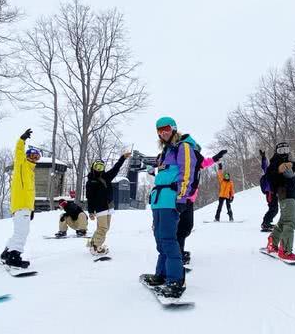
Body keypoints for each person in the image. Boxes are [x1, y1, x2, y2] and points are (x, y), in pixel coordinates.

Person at [140, 116, 197, 298]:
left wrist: (182, 198)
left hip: (171, 199)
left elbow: (186, 173)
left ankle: (175, 280)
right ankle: (162, 275)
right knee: (159, 239)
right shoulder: (166, 151)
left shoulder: (183, 147)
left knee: (168, 239)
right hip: (159, 201)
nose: (162, 132)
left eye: (165, 128)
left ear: (173, 128)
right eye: (159, 130)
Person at [177, 147, 227, 265]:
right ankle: (176, 254)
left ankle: (179, 251)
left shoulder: (195, 157)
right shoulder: (183, 154)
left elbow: (204, 163)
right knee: (180, 228)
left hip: (189, 198)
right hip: (181, 198)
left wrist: (216, 158)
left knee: (186, 227)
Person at [0, 128, 40, 269]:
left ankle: (6, 253)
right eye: (32, 156)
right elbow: (18, 152)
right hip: (20, 205)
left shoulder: (30, 172)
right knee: (22, 232)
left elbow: (29, 193)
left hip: (25, 207)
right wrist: (22, 140)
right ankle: (14, 256)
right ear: (27, 156)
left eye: (37, 157)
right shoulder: (21, 165)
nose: (34, 159)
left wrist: (32, 209)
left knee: (19, 231)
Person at [85, 152, 131, 255]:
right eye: (97, 166)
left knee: (105, 227)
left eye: (101, 167)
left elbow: (116, 168)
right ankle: (96, 247)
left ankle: (92, 242)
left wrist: (122, 158)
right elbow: (90, 198)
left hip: (109, 206)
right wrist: (91, 211)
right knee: (103, 228)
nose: (99, 169)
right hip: (100, 207)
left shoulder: (107, 177)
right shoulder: (91, 182)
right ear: (93, 167)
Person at [259, 149, 278, 232]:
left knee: (274, 208)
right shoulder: (268, 170)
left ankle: (266, 222)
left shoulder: (275, 171)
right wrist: (263, 158)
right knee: (273, 209)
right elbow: (264, 166)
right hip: (270, 192)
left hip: (273, 192)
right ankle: (265, 223)